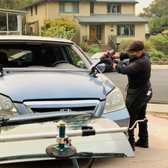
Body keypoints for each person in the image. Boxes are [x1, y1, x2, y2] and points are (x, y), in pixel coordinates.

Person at [112, 40, 152, 151]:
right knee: (141, 116)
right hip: (145, 91)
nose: (131, 54)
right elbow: (129, 57)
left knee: (130, 116)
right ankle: (144, 140)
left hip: (138, 93)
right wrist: (118, 56)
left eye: (133, 52)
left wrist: (115, 66)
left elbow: (124, 70)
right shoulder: (144, 56)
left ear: (139, 52)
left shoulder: (141, 63)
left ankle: (130, 143)